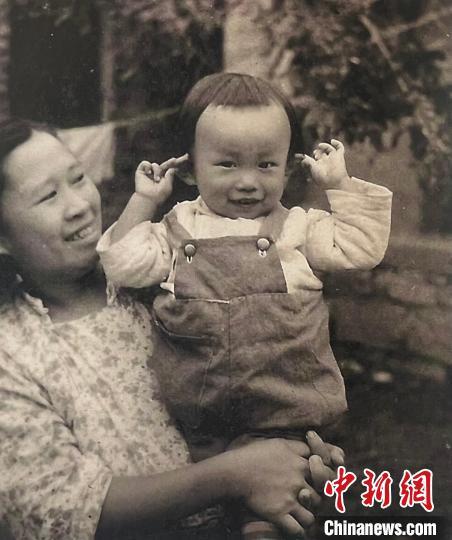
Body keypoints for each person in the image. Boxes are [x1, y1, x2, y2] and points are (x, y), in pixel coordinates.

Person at [0, 119, 342, 540]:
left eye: (78, 178)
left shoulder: (157, 273)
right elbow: (61, 510)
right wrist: (237, 474)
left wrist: (296, 458)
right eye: (48, 196)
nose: (79, 206)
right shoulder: (11, 353)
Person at [97, 72, 392, 538]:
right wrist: (143, 201)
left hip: (282, 421)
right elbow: (123, 265)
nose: (249, 182)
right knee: (191, 519)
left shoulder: (298, 229)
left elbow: (361, 248)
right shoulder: (176, 229)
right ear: (190, 168)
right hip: (192, 424)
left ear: (288, 169)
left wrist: (340, 183)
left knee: (267, 520)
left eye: (266, 165)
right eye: (228, 164)